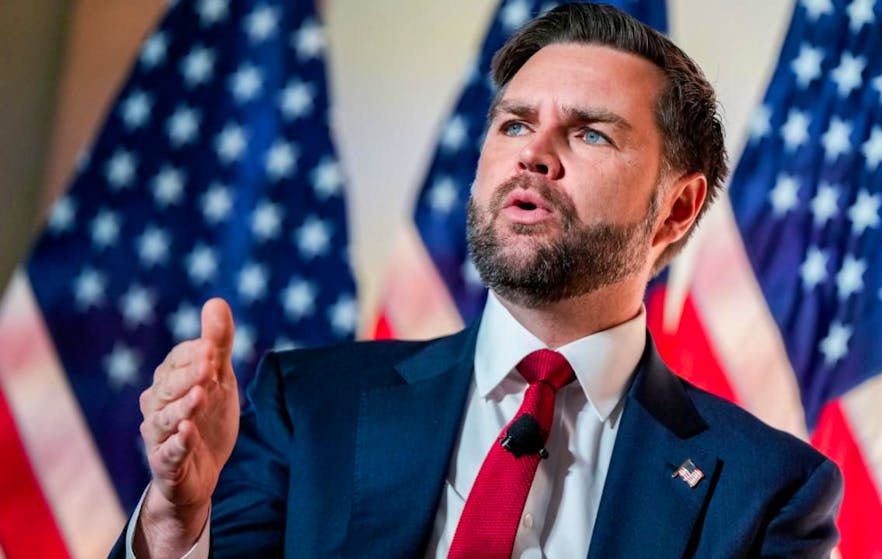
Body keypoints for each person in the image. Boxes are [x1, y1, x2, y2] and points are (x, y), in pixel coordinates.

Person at [115, 3, 842, 558]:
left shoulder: (767, 490)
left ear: (677, 207)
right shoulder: (310, 406)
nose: (535, 156)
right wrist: (177, 520)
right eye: (514, 125)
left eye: (590, 133)